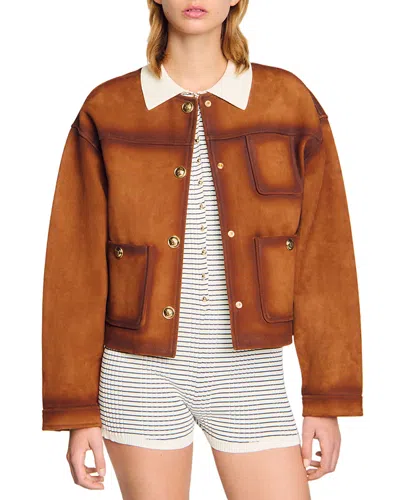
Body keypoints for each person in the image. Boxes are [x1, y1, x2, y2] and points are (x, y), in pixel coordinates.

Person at [41, 1, 363, 498]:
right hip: (138, 374)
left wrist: (326, 396)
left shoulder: (287, 102)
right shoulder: (109, 108)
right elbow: (75, 265)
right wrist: (75, 408)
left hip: (250, 375)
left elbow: (324, 256)